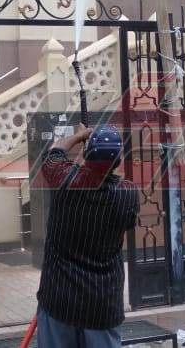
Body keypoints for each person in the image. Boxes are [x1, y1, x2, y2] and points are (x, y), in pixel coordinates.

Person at [35, 124, 140, 348]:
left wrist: (81, 135)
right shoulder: (128, 194)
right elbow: (126, 222)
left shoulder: (64, 180)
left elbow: (55, 152)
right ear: (118, 161)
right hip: (102, 305)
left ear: (86, 155)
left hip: (59, 301)